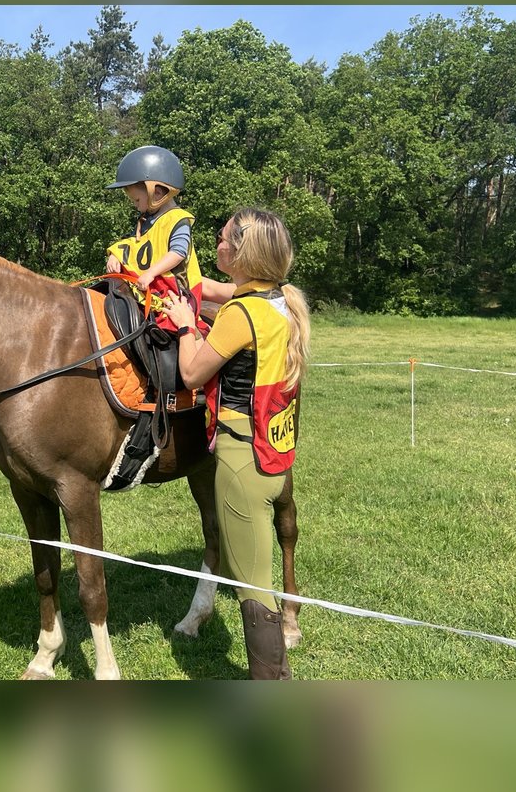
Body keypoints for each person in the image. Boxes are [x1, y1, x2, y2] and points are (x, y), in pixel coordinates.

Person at [160, 207, 311, 680]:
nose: (217, 245)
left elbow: (190, 373)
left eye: (223, 240)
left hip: (239, 458)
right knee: (259, 577)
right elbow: (213, 290)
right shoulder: (278, 301)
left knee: (254, 593)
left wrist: (186, 323)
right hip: (272, 456)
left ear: (243, 252)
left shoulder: (238, 315)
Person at [104, 145, 202, 331]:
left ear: (156, 192)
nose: (136, 206)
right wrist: (115, 255)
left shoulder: (178, 219)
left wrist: (150, 273)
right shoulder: (145, 222)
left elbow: (178, 252)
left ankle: (191, 351)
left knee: (176, 331)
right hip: (149, 292)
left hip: (175, 297)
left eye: (137, 200)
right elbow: (134, 245)